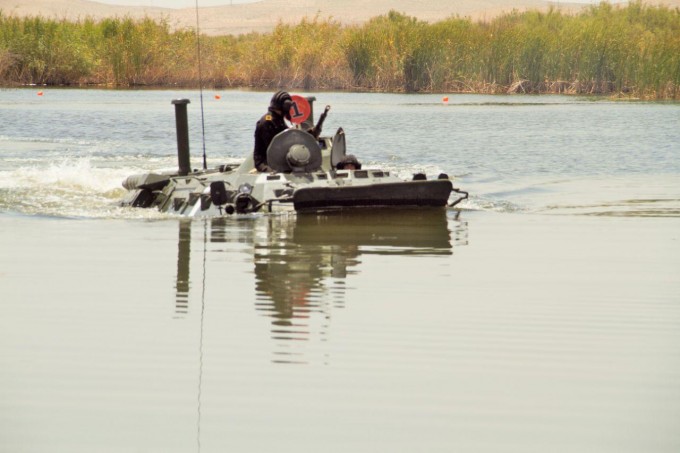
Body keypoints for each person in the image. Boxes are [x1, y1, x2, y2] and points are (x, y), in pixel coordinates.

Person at [253, 90, 293, 172]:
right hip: (264, 162)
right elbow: (273, 148)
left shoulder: (278, 119)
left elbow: (286, 133)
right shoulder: (267, 121)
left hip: (278, 159)